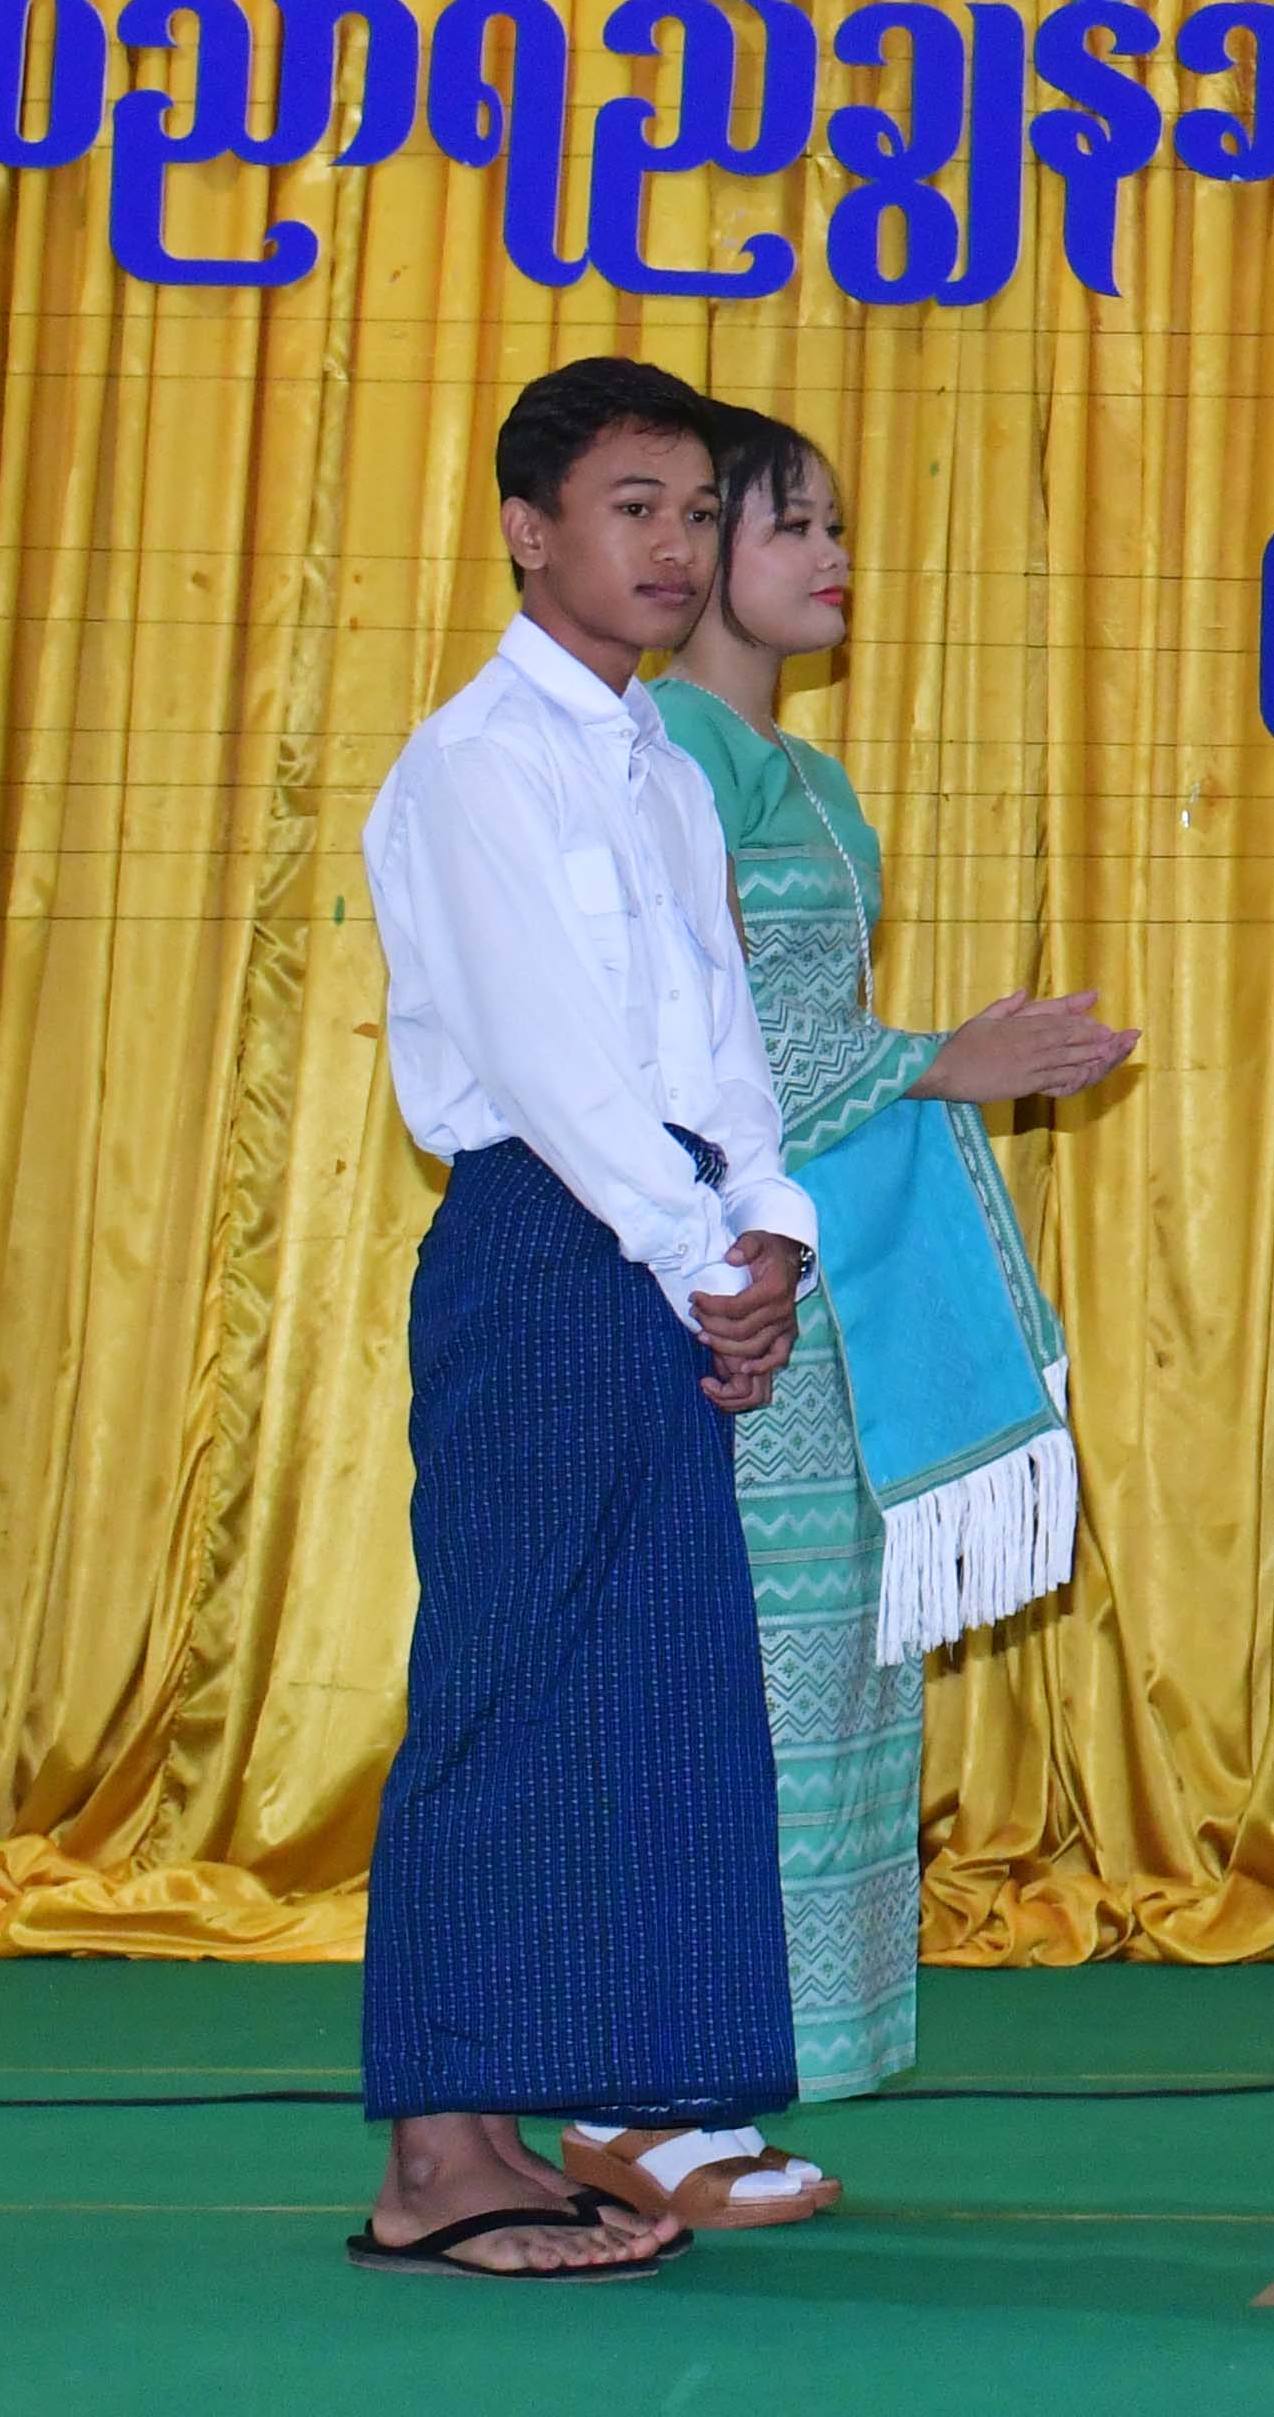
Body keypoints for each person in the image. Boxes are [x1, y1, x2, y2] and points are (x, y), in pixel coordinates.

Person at [603, 405, 1136, 2231]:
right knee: (723, 1693)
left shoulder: (811, 777)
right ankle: (646, 2089)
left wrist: (938, 1063)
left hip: (818, 1287)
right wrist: (939, 1063)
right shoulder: (668, 751)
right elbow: (704, 1043)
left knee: (824, 1680)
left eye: (835, 524)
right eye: (790, 525)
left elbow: (809, 1037)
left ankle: (729, 2084)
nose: (831, 557)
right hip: (709, 1281)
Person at [345, 357, 808, 2282]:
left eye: (699, 513)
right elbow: (551, 1064)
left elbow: (720, 1030)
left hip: (665, 1233)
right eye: (637, 509)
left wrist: (770, 1230)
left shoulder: (660, 766)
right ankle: (433, 2161)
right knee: (513, 1686)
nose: (677, 547)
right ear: (530, 532)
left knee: (648, 1694)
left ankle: (574, 2113)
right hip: (556, 1248)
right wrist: (700, 1247)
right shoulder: (479, 763)